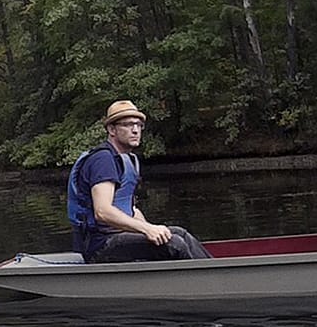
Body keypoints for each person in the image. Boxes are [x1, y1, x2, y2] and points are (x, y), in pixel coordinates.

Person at [67, 99, 212, 262]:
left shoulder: (128, 159)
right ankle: (207, 284)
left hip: (119, 236)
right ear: (112, 129)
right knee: (174, 244)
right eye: (128, 125)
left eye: (138, 125)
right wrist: (146, 229)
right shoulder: (103, 160)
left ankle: (216, 273)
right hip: (99, 245)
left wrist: (151, 231)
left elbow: (131, 209)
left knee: (179, 233)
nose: (135, 130)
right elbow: (102, 212)